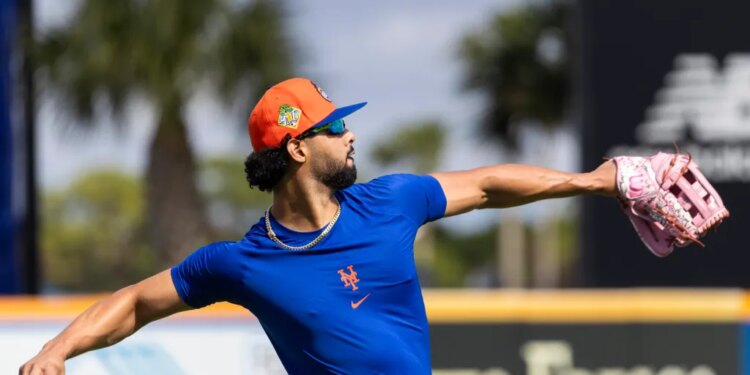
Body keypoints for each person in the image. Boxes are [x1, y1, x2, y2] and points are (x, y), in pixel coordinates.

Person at [19, 77, 618, 375]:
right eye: (334, 127)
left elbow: (488, 184)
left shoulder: (392, 202)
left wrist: (592, 180)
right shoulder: (240, 263)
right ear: (298, 149)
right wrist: (56, 350)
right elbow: (133, 304)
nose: (350, 132)